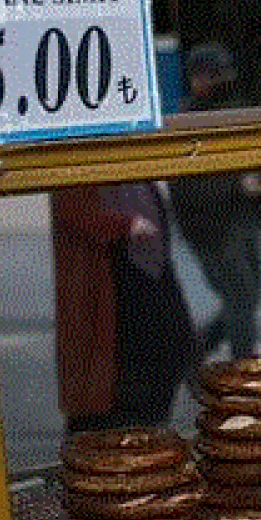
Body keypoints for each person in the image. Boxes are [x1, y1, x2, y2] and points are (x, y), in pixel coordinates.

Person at [51, 181, 196, 432]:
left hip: (144, 265)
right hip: (116, 271)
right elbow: (75, 211)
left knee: (173, 349)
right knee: (124, 378)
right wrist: (125, 225)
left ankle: (147, 432)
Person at [167, 42, 261, 361]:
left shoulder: (232, 110)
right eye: (211, 76)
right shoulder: (188, 121)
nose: (218, 82)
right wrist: (242, 186)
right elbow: (188, 189)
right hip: (212, 230)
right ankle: (243, 371)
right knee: (241, 302)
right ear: (196, 80)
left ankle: (193, 354)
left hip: (242, 221)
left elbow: (259, 156)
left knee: (249, 299)